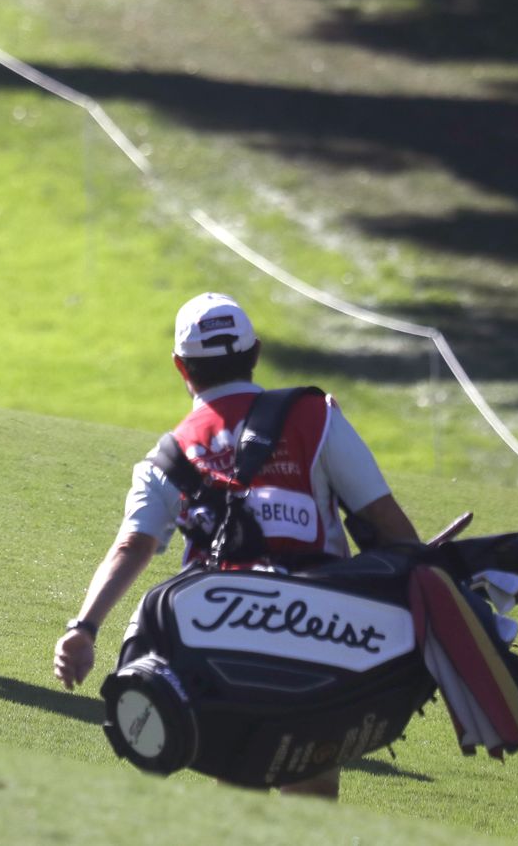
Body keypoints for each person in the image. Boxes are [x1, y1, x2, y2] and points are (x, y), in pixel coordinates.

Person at [52, 292, 423, 798]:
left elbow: (131, 548)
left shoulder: (165, 457)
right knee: (311, 791)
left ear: (181, 367)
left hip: (220, 639)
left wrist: (84, 628)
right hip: (321, 631)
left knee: (238, 780)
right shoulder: (318, 416)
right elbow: (390, 526)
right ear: (256, 352)